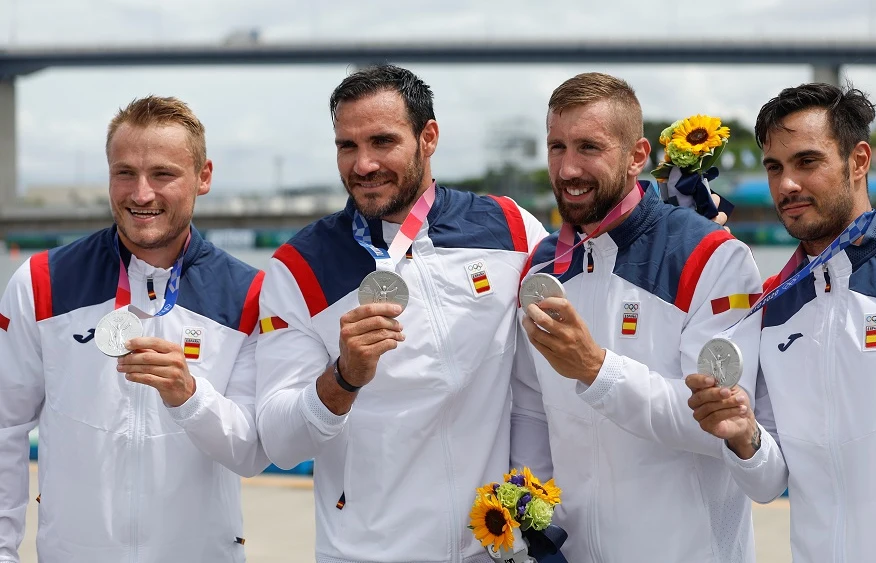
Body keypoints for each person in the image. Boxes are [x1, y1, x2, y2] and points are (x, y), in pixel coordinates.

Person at [686, 82, 876, 562]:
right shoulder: (774, 303)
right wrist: (742, 433)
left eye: (806, 162)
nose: (787, 184)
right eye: (775, 167)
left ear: (858, 161)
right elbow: (769, 482)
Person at [253, 64, 549, 563]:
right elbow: (280, 443)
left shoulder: (511, 228)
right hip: (371, 552)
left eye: (382, 141)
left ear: (427, 137)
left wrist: (681, 224)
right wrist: (343, 379)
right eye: (347, 146)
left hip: (499, 547)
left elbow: (591, 292)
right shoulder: (299, 268)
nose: (363, 164)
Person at [0, 96, 271, 562]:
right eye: (125, 172)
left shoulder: (250, 294)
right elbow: (5, 426)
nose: (141, 194)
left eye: (163, 174)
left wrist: (191, 396)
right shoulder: (41, 282)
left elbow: (252, 453)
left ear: (204, 177)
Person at [511, 72, 764, 562]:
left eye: (589, 147)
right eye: (556, 147)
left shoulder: (713, 256)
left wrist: (596, 369)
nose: (567, 169)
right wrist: (535, 533)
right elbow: (529, 410)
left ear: (637, 156)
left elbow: (715, 423)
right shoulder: (541, 266)